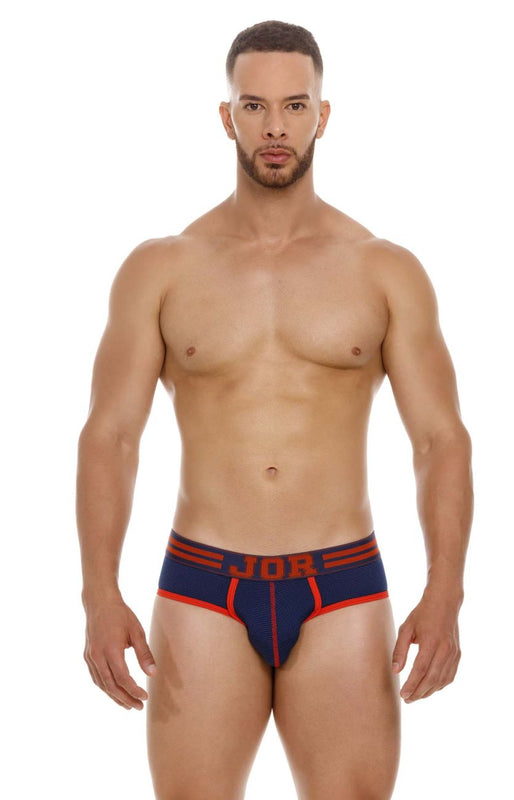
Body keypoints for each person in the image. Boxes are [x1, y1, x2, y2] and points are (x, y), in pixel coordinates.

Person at [76, 19, 473, 800]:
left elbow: (439, 440)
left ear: (322, 115)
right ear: (226, 117)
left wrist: (445, 593)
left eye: (294, 106)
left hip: (341, 585)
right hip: (202, 583)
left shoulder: (383, 270)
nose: (274, 127)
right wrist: (98, 594)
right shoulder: (162, 268)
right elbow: (110, 436)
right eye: (253, 107)